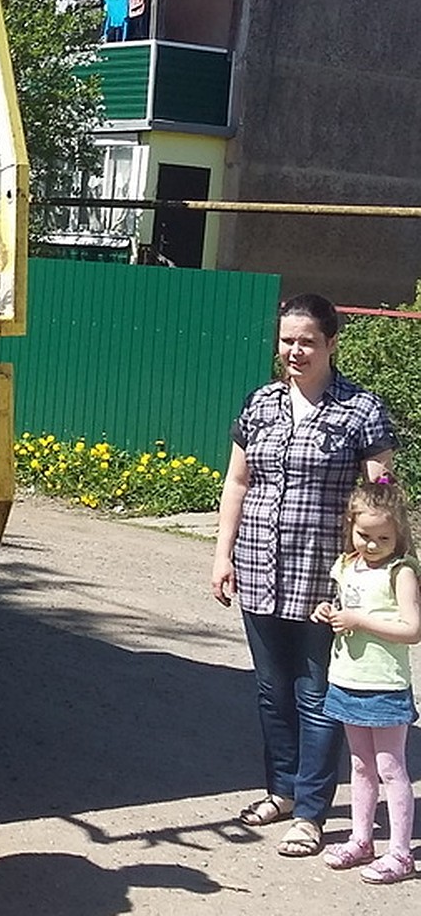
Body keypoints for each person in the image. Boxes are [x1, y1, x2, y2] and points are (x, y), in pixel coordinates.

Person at [211, 293, 397, 859]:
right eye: (287, 340)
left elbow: (380, 497)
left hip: (326, 581)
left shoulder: (361, 410)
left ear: (331, 343)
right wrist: (222, 555)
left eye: (307, 341)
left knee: (318, 694)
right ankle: (282, 792)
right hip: (259, 569)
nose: (294, 351)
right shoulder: (260, 404)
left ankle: (312, 813)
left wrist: (382, 569)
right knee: (272, 692)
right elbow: (237, 482)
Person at [311, 477, 420, 883]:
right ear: (350, 527)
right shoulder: (346, 565)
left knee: (391, 768)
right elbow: (347, 607)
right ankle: (362, 839)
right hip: (347, 678)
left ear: (399, 534)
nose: (372, 545)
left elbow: (412, 629)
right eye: (364, 535)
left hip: (385, 684)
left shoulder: (401, 572)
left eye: (383, 537)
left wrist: (359, 622)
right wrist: (328, 611)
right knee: (359, 765)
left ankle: (400, 852)